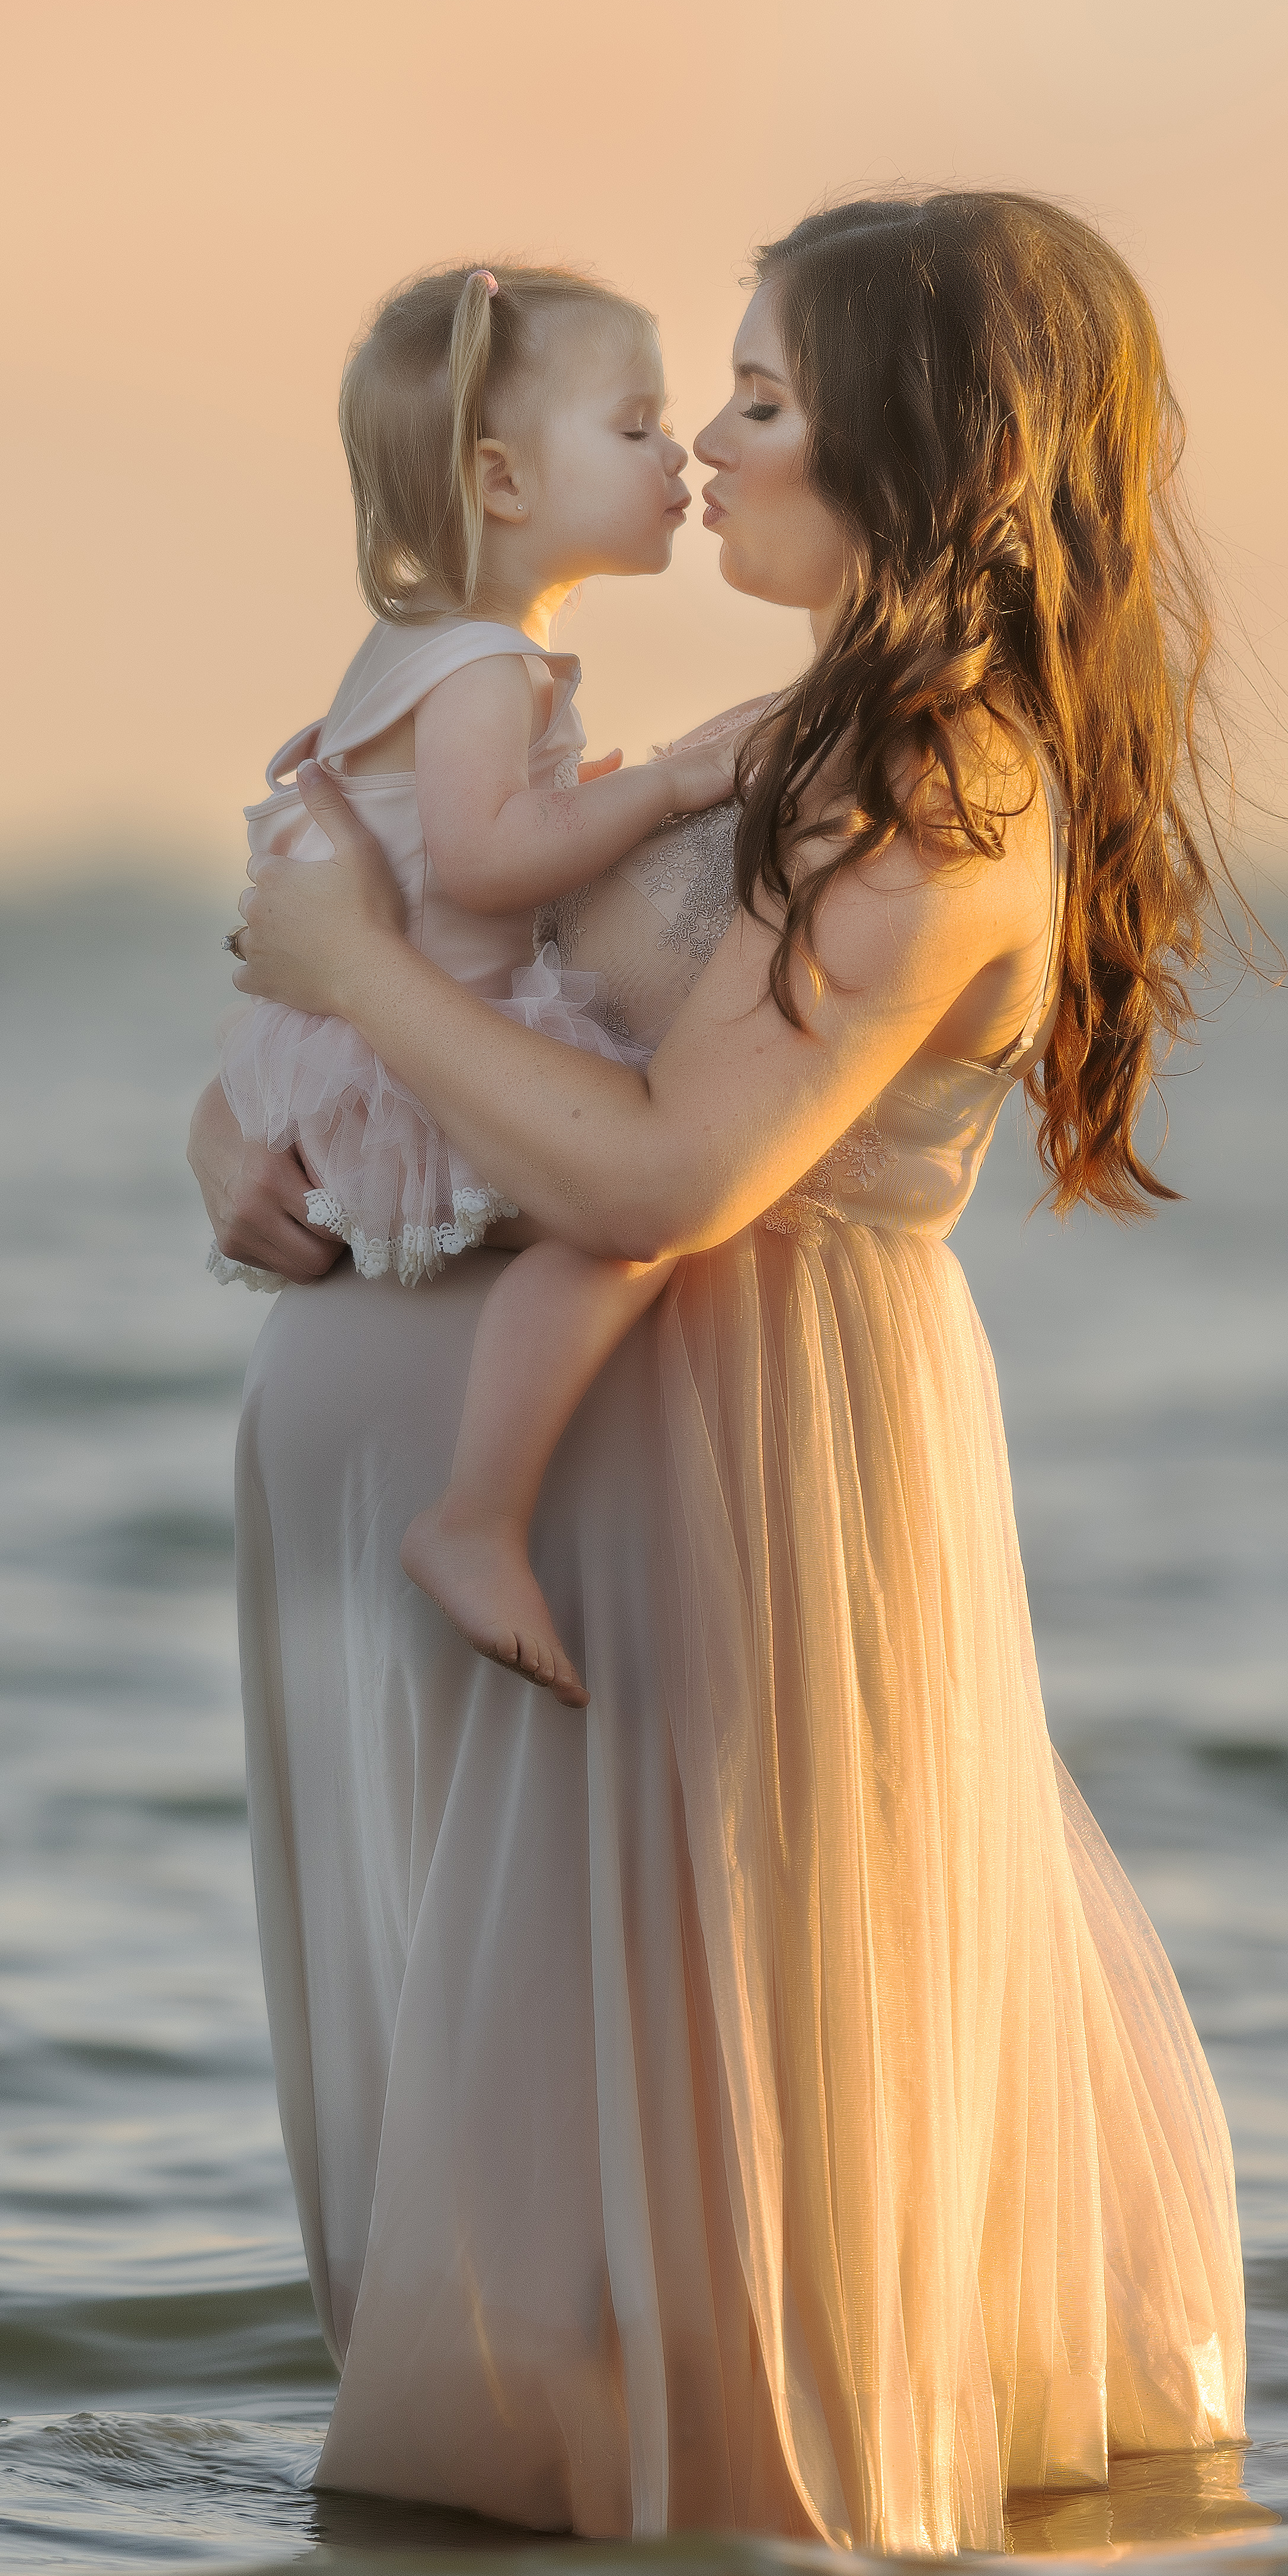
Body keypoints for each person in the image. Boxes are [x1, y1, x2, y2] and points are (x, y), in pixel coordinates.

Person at [202, 191, 1251, 2551]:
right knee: (553, 2156)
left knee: (716, 2127)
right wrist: (241, 1120)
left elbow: (676, 1167)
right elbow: (491, 991)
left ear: (923, 444)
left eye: (766, 401)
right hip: (585, 1496)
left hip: (747, 1478)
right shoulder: (780, 734)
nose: (714, 453)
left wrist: (354, 978)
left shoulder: (948, 800)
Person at [209, 260, 742, 1704]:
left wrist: (588, 800)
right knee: (616, 1233)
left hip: (356, 1046)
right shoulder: (487, 664)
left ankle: (476, 1511)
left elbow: (456, 844)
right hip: (416, 1058)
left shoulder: (425, 647)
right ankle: (476, 1516)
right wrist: (665, 789)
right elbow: (487, 860)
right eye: (635, 428)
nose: (678, 456)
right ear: (501, 481)